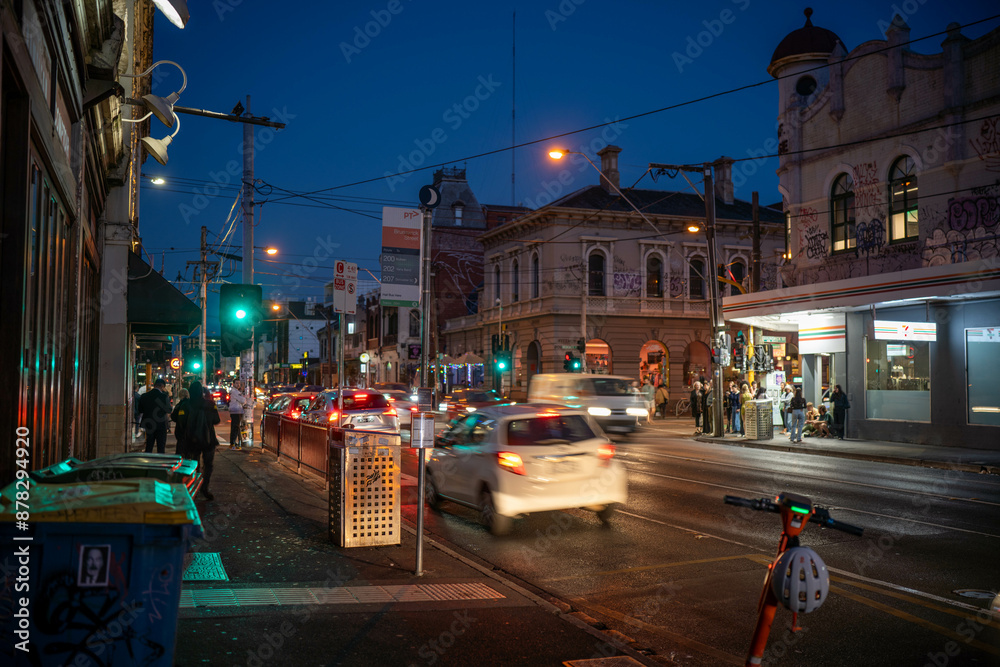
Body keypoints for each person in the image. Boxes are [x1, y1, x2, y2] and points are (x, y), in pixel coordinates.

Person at [173, 381, 220, 500]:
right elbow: (216, 420)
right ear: (201, 392)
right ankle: (205, 487)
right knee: (208, 465)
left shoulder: (185, 405)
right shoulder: (210, 404)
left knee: (194, 464)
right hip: (208, 439)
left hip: (192, 440)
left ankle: (194, 486)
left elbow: (180, 422)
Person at [138, 378, 172, 454]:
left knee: (149, 446)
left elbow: (140, 410)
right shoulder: (164, 396)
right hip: (161, 425)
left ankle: (147, 460)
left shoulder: (144, 396)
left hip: (149, 424)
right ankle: (160, 461)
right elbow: (169, 410)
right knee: (161, 447)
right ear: (162, 386)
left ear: (154, 385)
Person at [228, 381, 248, 450]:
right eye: (236, 383)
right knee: (235, 427)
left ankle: (233, 443)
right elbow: (243, 400)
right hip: (236, 411)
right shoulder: (235, 392)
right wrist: (244, 400)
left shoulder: (235, 391)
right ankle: (233, 443)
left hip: (235, 411)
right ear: (233, 384)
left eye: (239, 383)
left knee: (235, 427)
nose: (238, 385)